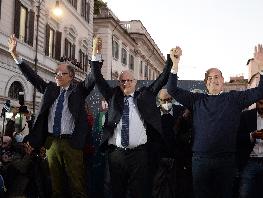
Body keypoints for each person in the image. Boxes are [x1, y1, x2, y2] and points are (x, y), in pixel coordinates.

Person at [167, 45, 263, 198]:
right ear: (205, 83)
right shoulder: (197, 100)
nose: (213, 80)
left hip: (226, 161)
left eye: (216, 77)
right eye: (209, 78)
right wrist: (174, 65)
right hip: (200, 161)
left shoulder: (234, 99)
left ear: (223, 80)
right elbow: (172, 90)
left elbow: (262, 90)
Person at [8, 34, 100, 197]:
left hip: (72, 143)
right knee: (55, 186)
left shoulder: (79, 90)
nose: (57, 75)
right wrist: (15, 55)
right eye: (56, 73)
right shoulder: (50, 89)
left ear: (70, 77)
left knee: (77, 185)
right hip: (51, 143)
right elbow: (32, 76)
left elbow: (93, 77)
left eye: (61, 73)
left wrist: (95, 53)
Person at [92, 38, 174, 198]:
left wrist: (170, 60)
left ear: (135, 82)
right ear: (118, 82)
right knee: (116, 191)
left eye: (129, 80)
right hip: (116, 154)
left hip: (140, 155)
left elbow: (162, 78)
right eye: (123, 81)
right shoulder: (113, 95)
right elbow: (97, 78)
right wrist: (96, 54)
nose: (126, 83)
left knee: (139, 192)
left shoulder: (145, 95)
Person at [152, 89, 193, 198]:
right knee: (157, 189)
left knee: (177, 189)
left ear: (173, 99)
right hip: (159, 159)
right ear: (158, 100)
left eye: (169, 99)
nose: (166, 103)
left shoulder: (181, 111)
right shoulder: (152, 114)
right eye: (163, 100)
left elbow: (187, 133)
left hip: (178, 159)